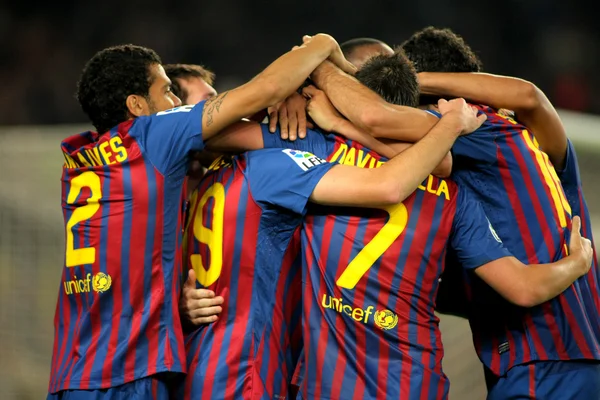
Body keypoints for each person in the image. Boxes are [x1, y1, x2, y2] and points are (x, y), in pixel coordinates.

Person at [200, 49, 593, 397]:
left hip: (326, 380)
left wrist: (297, 86)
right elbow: (520, 286)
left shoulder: (315, 151)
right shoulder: (457, 197)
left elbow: (210, 134)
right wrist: (580, 261)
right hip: (418, 380)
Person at [47, 34, 359, 399]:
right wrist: (319, 47)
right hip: (128, 370)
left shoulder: (81, 160)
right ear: (136, 105)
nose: (176, 103)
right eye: (167, 92)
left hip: (72, 372)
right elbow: (266, 88)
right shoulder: (151, 135)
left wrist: (175, 300)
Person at [309, 28, 600, 398]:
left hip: (542, 358)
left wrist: (322, 68)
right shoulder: (521, 144)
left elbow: (374, 118)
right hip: (564, 354)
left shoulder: (472, 128)